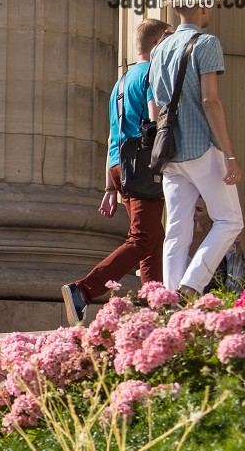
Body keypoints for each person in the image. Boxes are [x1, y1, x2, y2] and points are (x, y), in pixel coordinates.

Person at [61, 18, 173, 324]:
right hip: (142, 165)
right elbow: (154, 120)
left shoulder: (120, 83)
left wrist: (110, 188)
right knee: (141, 238)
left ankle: (154, 306)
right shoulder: (152, 73)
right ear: (161, 40)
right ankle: (83, 290)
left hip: (119, 165)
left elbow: (113, 133)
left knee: (152, 238)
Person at [147, 0, 244, 299]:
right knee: (230, 220)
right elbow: (210, 100)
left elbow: (157, 105)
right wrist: (229, 154)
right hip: (201, 146)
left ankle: (169, 301)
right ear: (202, 6)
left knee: (176, 229)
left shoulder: (159, 50)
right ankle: (191, 286)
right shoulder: (206, 43)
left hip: (170, 151)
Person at [191, 199, 245, 293]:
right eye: (193, 209)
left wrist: (236, 244)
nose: (193, 214)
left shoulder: (223, 231)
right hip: (197, 280)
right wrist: (196, 239)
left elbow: (238, 267)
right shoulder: (187, 233)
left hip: (224, 280)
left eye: (199, 210)